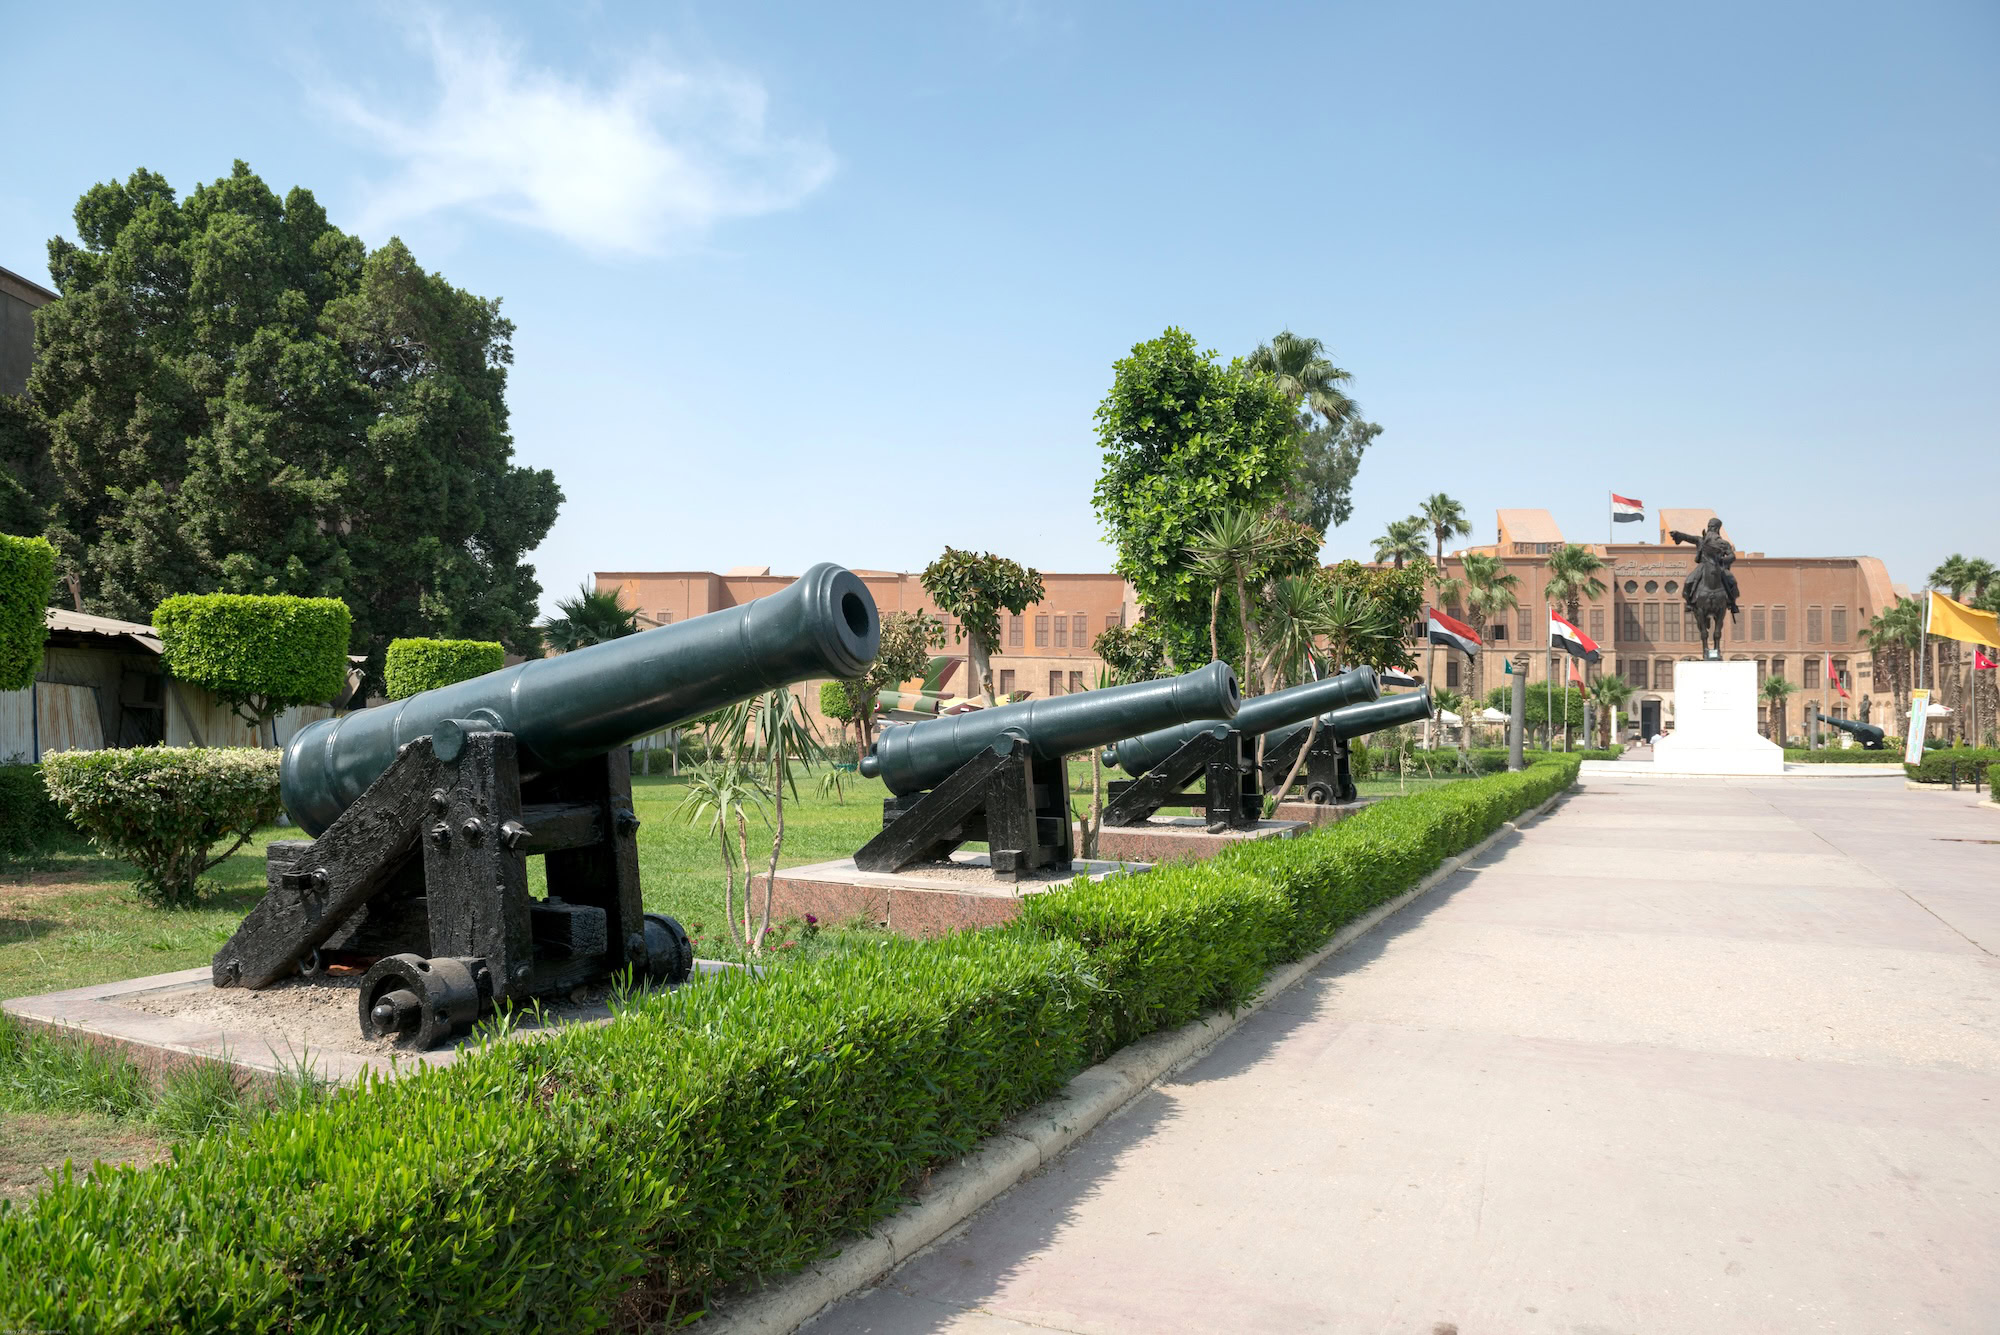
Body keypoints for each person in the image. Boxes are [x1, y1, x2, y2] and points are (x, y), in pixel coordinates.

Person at [1670, 517, 1741, 616]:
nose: (1710, 529)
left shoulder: (1724, 543)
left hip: (1719, 567)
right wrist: (1678, 534)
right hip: (1703, 566)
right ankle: (1689, 603)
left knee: (1732, 582)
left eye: (1712, 527)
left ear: (1717, 529)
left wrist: (1721, 560)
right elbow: (1688, 537)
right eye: (1709, 526)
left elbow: (1732, 556)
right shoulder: (1701, 540)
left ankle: (1732, 604)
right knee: (1688, 581)